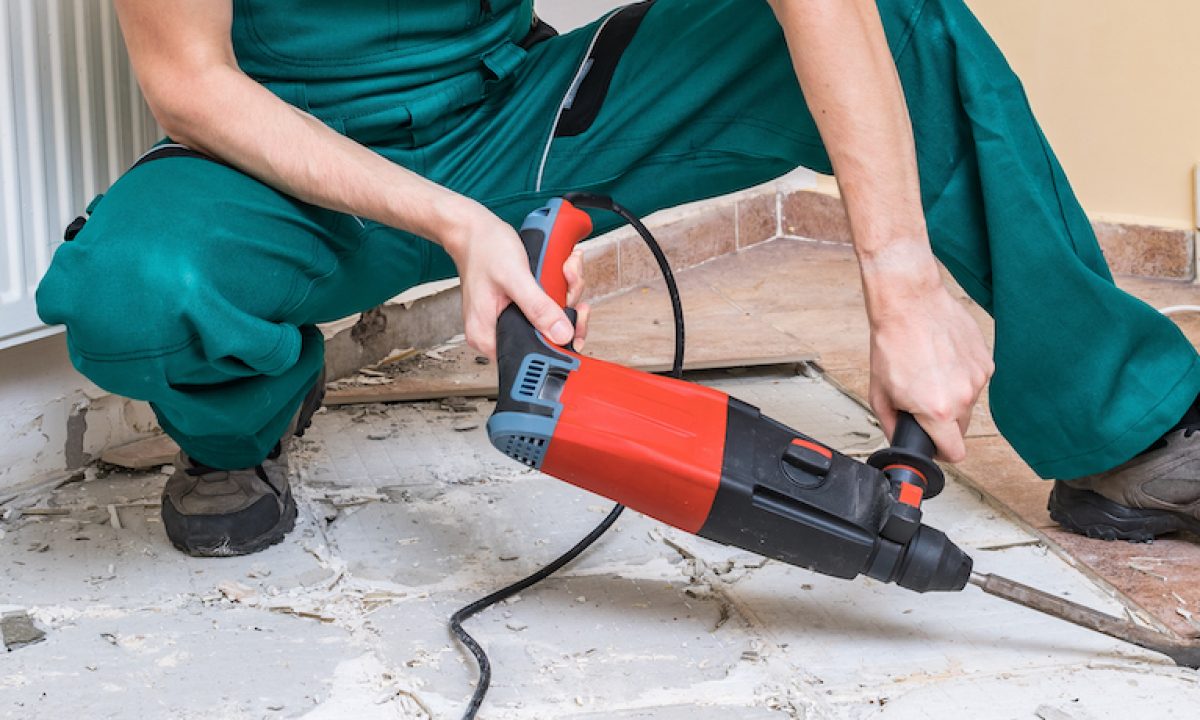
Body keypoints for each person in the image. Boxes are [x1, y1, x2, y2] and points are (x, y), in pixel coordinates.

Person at [36, 0, 1200, 557]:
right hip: (281, 159)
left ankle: (1119, 427)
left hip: (514, 118)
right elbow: (188, 83)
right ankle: (241, 418)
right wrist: (453, 222)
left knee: (908, 21)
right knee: (131, 289)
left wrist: (899, 281)